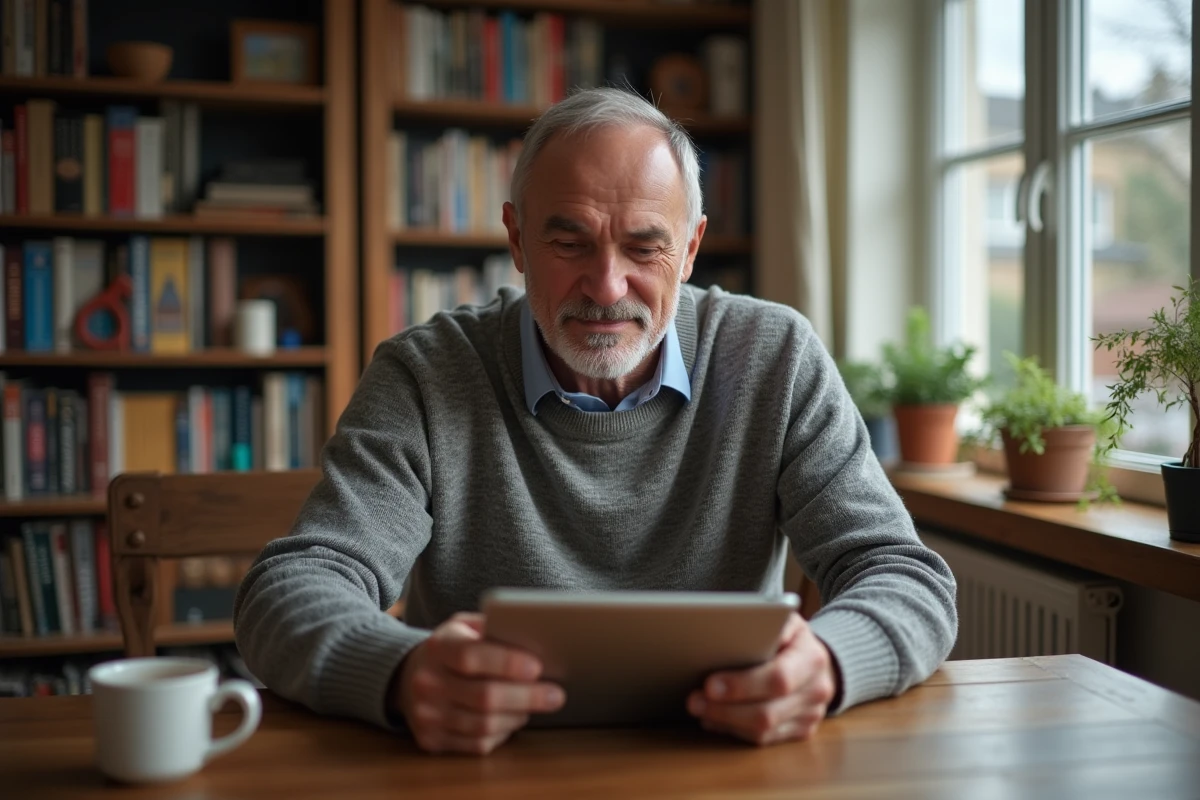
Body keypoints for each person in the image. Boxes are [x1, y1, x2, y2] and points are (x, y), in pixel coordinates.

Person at [233, 87, 957, 756]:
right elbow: (290, 590)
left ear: (691, 249)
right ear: (517, 241)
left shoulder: (775, 358)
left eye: (645, 246)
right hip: (481, 768)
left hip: (726, 764)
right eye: (569, 242)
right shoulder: (426, 374)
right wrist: (396, 672)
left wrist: (828, 664)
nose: (608, 287)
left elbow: (904, 577)